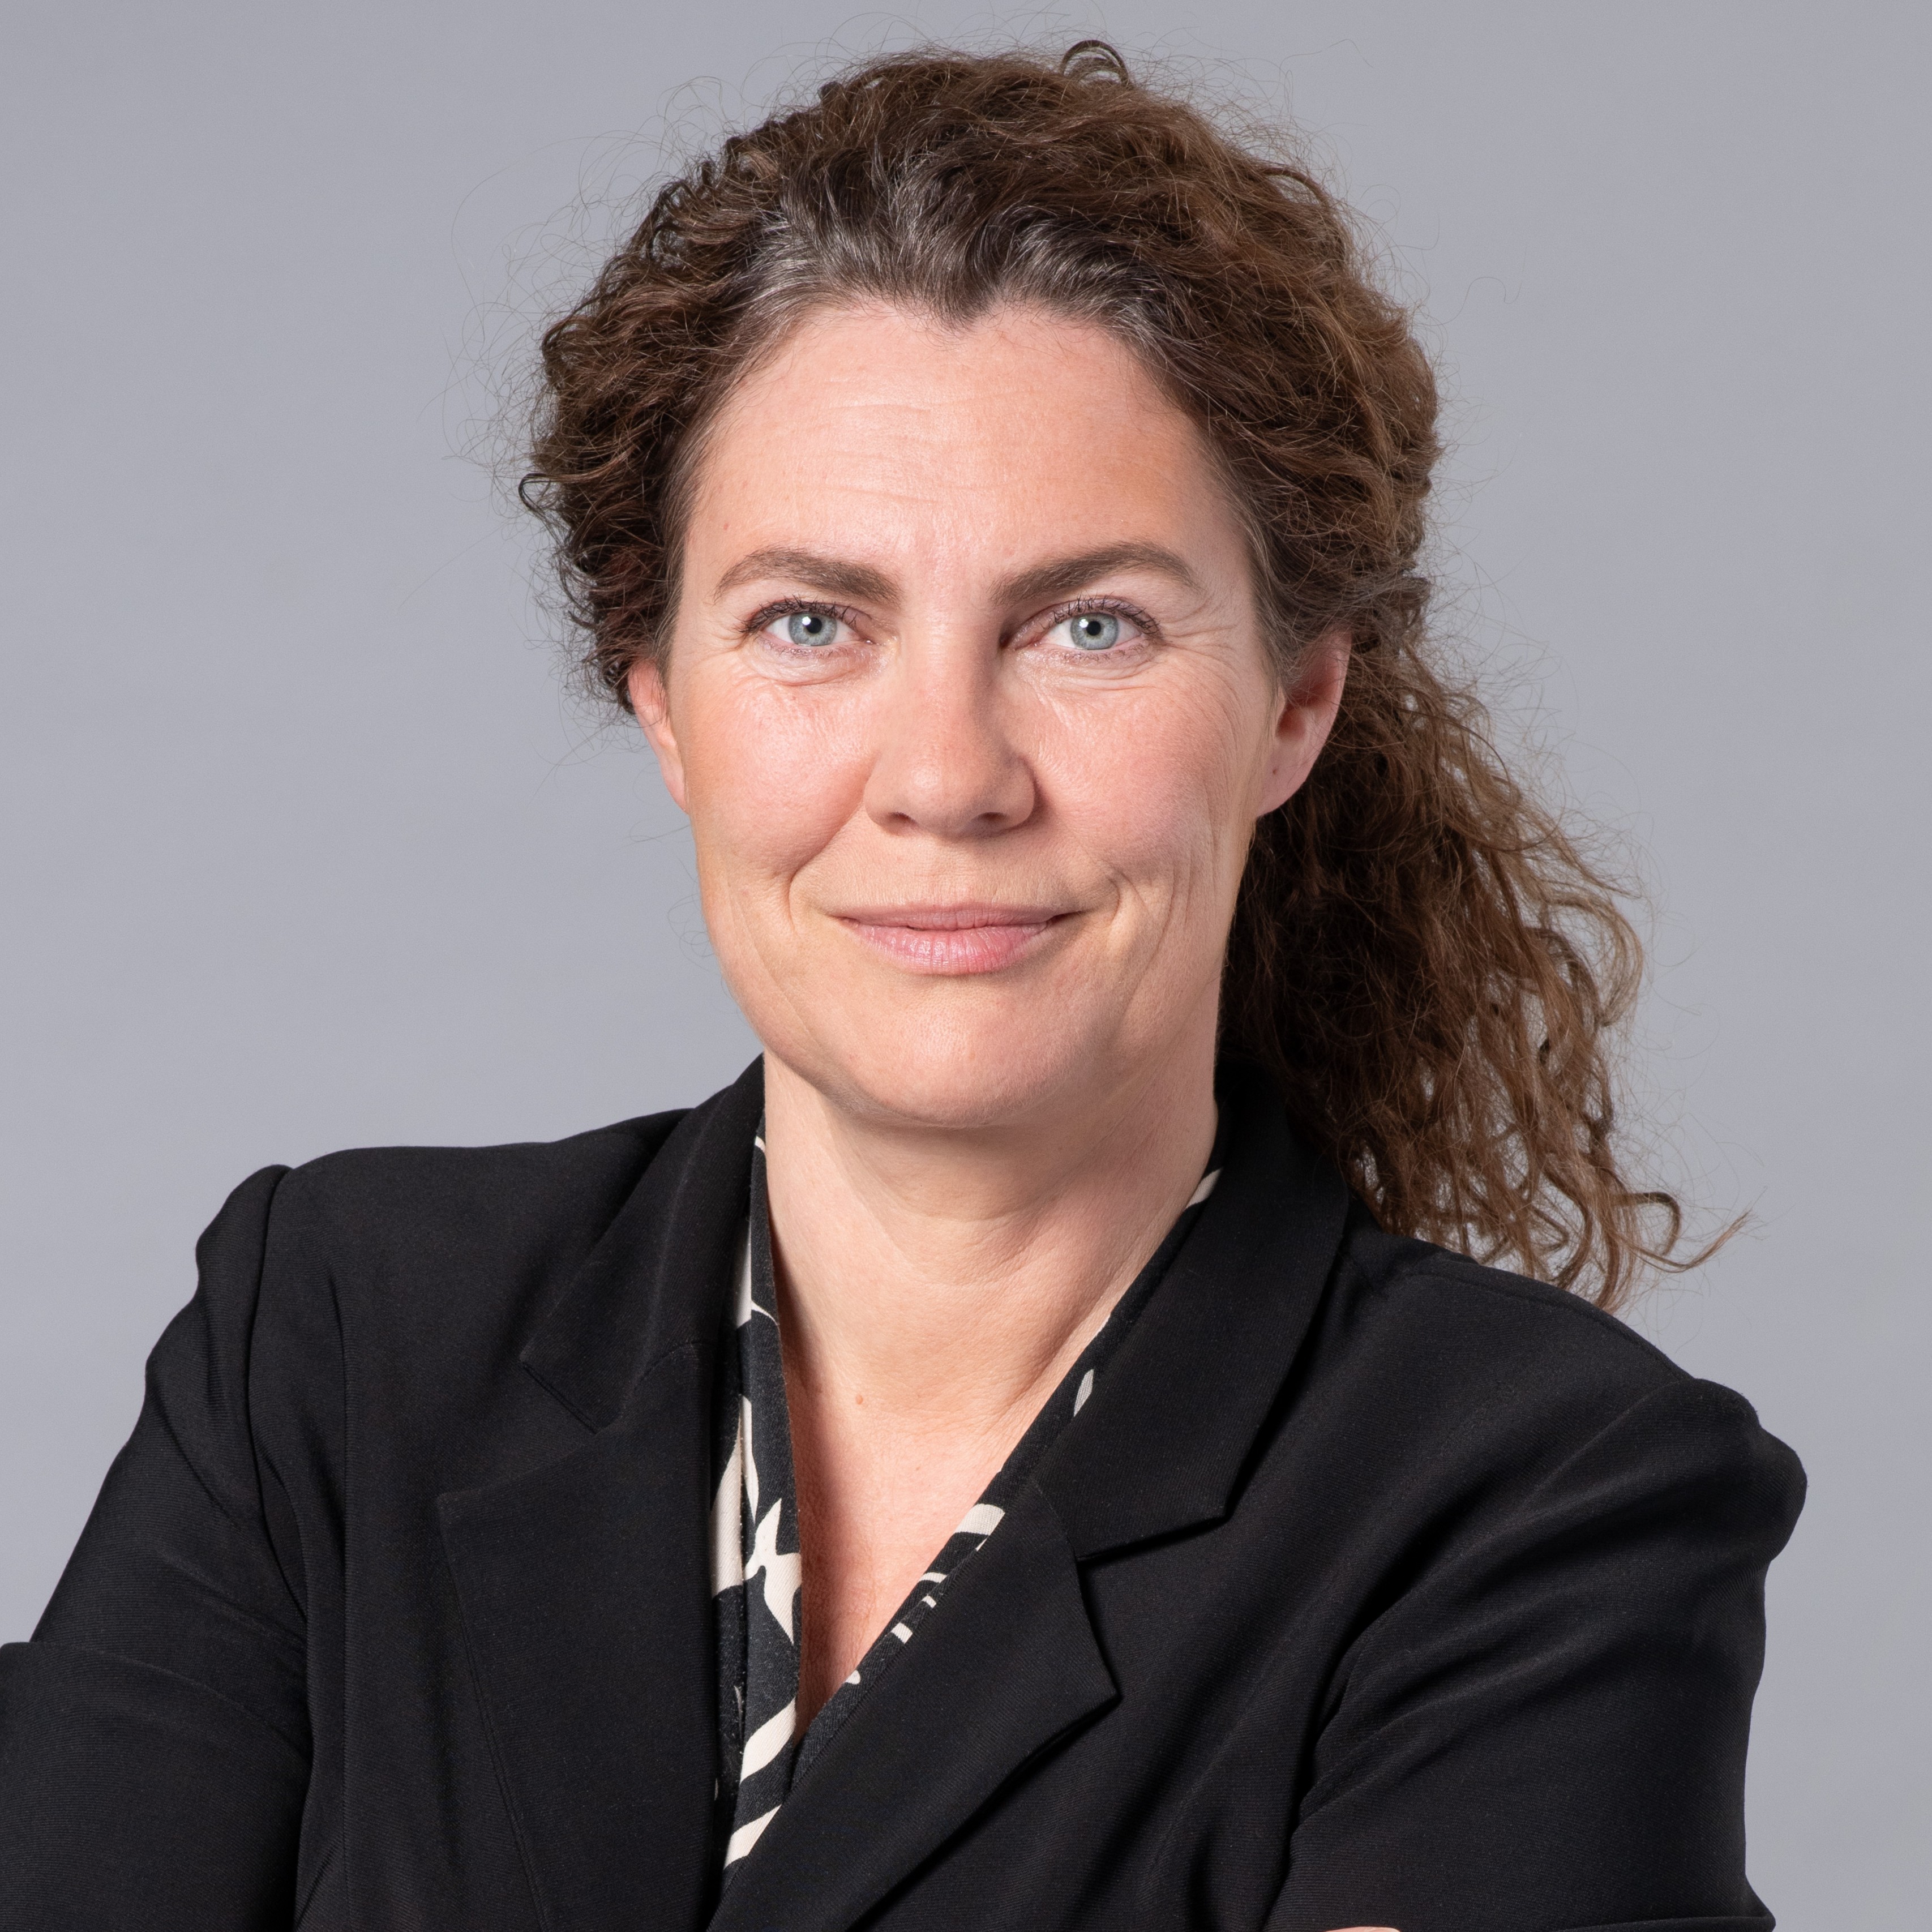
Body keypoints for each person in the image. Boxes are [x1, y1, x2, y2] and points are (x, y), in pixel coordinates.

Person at [0, 42, 1802, 1932]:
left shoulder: (1545, 1506)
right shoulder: (336, 1341)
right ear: (664, 705)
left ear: (1294, 702)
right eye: (812, 622)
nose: (947, 776)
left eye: (1089, 625)